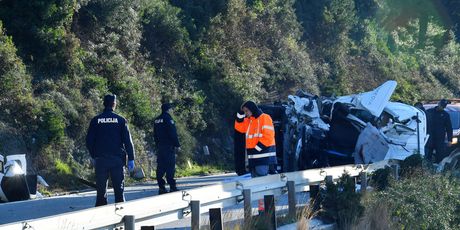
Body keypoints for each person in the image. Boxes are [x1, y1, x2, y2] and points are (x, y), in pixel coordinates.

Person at [86, 94, 135, 206]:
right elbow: (128, 141)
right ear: (114, 104)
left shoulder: (96, 120)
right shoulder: (120, 120)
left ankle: (102, 218)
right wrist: (131, 158)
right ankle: (121, 218)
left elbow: (89, 141)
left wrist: (94, 155)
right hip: (117, 160)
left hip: (101, 160)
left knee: (101, 192)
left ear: (104, 103)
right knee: (119, 191)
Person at [234, 101, 277, 177]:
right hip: (253, 158)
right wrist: (240, 114)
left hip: (264, 158)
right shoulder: (248, 121)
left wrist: (257, 148)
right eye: (244, 111)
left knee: (262, 182)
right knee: (256, 183)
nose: (245, 113)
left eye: (246, 111)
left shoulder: (265, 117)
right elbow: (239, 128)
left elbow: (268, 136)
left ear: (252, 109)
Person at [154, 103, 180, 194]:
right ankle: (172, 186)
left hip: (160, 147)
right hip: (168, 147)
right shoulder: (168, 119)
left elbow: (155, 135)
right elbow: (173, 133)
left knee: (160, 166)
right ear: (168, 110)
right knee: (170, 166)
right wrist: (177, 145)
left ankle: (161, 187)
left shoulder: (157, 120)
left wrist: (158, 145)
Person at [425, 99, 453, 163]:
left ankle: (438, 170)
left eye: (443, 106)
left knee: (440, 157)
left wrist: (450, 140)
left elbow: (449, 128)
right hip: (429, 138)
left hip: (440, 140)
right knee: (427, 156)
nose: (442, 107)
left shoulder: (445, 115)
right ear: (438, 104)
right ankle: (426, 169)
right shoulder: (429, 112)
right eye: (441, 105)